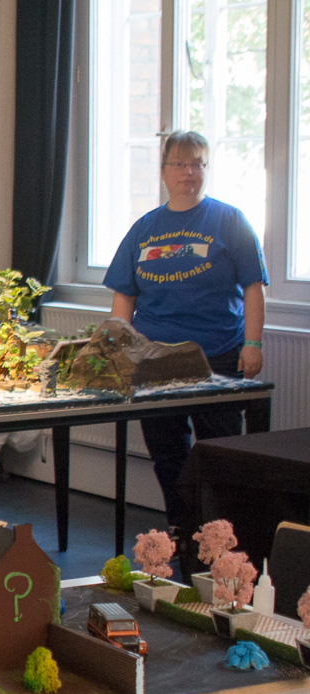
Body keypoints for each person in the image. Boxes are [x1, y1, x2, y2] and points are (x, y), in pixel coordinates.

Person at [103, 130, 267, 555]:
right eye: (180, 163)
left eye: (197, 163)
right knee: (167, 450)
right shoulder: (144, 229)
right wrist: (118, 352)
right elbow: (124, 296)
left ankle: (220, 536)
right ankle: (181, 525)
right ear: (163, 172)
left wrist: (253, 343)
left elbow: (253, 287)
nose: (189, 172)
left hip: (218, 356)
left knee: (219, 450)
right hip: (154, 361)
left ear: (206, 170)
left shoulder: (230, 220)